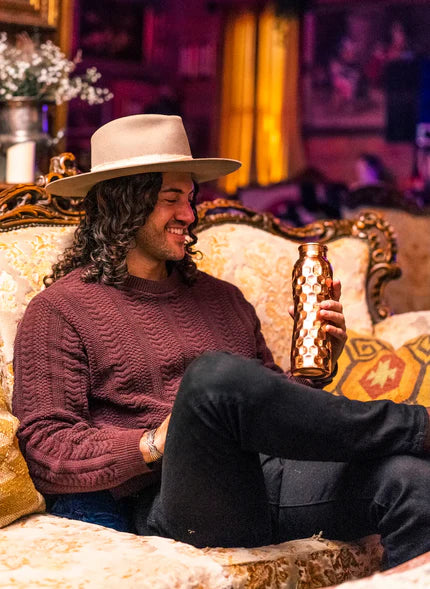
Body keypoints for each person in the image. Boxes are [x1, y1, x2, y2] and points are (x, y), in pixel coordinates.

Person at [12, 115, 430, 569]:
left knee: (412, 481)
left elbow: (265, 412)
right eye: (171, 199)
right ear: (121, 205)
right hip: (176, 501)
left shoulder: (223, 298)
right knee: (213, 376)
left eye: (190, 198)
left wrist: (314, 370)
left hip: (266, 477)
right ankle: (417, 426)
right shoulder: (60, 310)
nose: (189, 215)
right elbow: (46, 447)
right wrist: (152, 442)